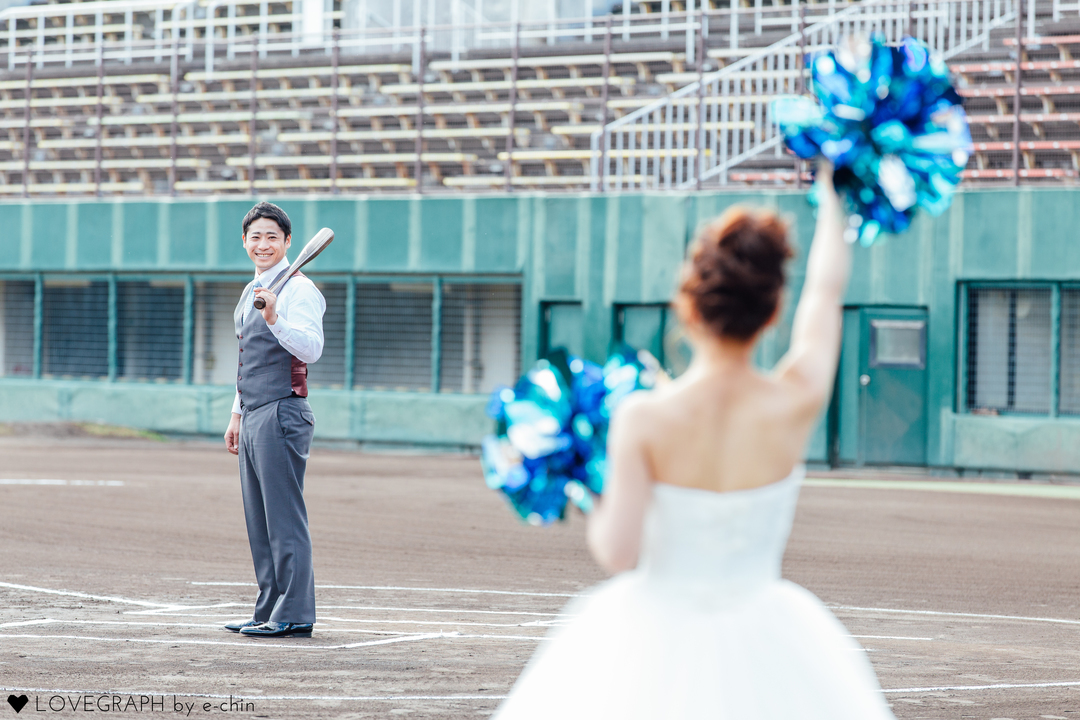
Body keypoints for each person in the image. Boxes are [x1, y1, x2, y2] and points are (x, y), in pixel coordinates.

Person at [493, 165, 896, 719]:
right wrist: (834, 196)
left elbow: (617, 551)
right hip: (772, 637)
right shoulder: (794, 401)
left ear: (689, 303)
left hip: (651, 637)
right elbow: (826, 293)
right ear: (773, 310)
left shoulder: (644, 418)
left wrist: (580, 474)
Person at [222, 202, 326, 639]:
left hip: (284, 410)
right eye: (255, 237)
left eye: (271, 237)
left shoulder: (300, 290)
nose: (262, 244)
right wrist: (236, 413)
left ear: (287, 242)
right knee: (259, 518)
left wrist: (274, 317)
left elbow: (311, 349)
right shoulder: (253, 288)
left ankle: (296, 612)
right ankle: (269, 606)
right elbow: (248, 358)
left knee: (284, 518)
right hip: (255, 412)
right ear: (244, 242)